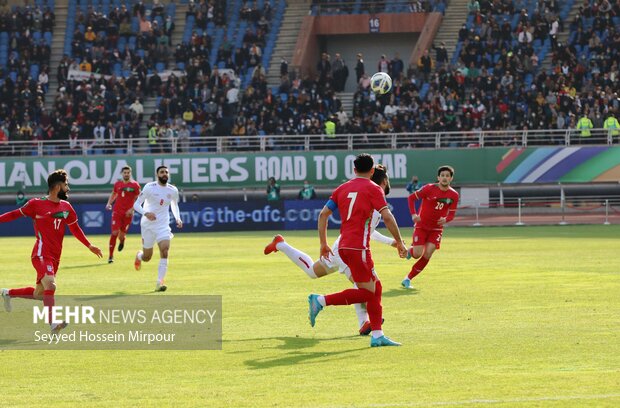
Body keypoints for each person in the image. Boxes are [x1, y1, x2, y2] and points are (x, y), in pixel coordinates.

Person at [265, 164, 397, 336]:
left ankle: (281, 244)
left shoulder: (366, 194)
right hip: (349, 251)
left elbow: (368, 230)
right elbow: (369, 232)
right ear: (385, 180)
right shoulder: (373, 197)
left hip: (343, 248)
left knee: (315, 272)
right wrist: (392, 242)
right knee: (366, 289)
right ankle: (326, 303)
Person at [307, 154, 408, 347]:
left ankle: (377, 334)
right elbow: (387, 217)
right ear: (372, 171)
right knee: (368, 293)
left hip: (344, 246)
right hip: (358, 248)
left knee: (376, 287)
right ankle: (320, 301)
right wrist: (399, 243)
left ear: (354, 170)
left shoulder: (342, 188)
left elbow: (323, 214)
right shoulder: (374, 188)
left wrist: (323, 243)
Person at [0, 169, 103, 333]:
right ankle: (53, 323)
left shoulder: (67, 207)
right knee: (51, 285)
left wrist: (90, 246)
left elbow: (75, 228)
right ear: (57, 187)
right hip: (41, 253)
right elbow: (14, 214)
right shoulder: (36, 204)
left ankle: (8, 293)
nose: (68, 188)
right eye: (66, 184)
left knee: (40, 294)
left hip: (55, 257)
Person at [401, 165, 459, 289]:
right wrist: (414, 215)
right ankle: (410, 251)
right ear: (438, 177)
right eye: (442, 175)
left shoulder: (454, 195)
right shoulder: (429, 188)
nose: (444, 178)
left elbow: (452, 214)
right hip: (421, 226)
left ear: (451, 179)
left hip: (436, 229)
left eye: (447, 176)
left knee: (427, 254)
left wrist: (446, 219)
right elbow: (411, 198)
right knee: (417, 254)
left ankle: (408, 279)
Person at [133, 166, 183, 292]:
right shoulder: (150, 187)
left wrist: (178, 218)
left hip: (163, 226)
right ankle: (139, 256)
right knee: (147, 257)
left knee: (165, 251)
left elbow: (174, 205)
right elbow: (136, 204)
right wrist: (146, 213)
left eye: (166, 172)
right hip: (148, 226)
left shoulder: (173, 190)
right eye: (162, 172)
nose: (165, 174)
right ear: (157, 175)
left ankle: (159, 283)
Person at [105, 166, 141, 263]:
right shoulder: (118, 184)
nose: (126, 174)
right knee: (114, 233)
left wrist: (132, 209)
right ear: (122, 173)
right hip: (117, 212)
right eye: (125, 172)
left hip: (128, 214)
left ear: (130, 173)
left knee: (121, 235)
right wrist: (109, 203)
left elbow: (140, 199)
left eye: (128, 172)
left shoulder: (135, 185)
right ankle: (110, 256)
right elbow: (114, 193)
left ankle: (122, 241)